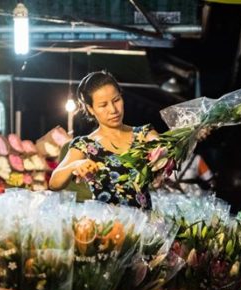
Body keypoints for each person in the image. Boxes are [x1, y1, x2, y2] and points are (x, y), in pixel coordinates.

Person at [49, 71, 159, 210]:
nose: (113, 110)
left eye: (116, 100)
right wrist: (75, 165)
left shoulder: (144, 134)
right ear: (90, 109)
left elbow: (161, 146)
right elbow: (54, 183)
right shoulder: (85, 145)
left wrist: (162, 151)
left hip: (142, 226)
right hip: (105, 227)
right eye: (103, 105)